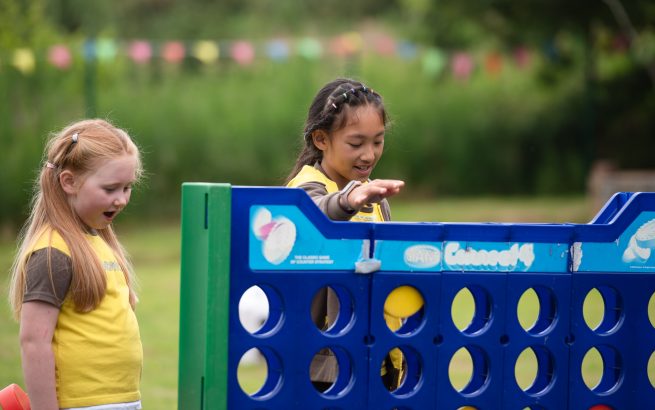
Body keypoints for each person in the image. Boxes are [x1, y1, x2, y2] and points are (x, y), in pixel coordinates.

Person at [8, 119, 144, 410]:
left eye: (127, 187)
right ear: (69, 182)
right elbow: (34, 342)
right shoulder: (52, 252)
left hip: (122, 400)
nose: (120, 200)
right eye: (110, 189)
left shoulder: (97, 240)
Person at [285, 78, 406, 392]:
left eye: (377, 141)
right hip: (326, 365)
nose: (369, 154)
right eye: (356, 143)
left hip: (378, 351)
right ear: (321, 139)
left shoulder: (374, 198)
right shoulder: (306, 187)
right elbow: (314, 213)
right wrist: (348, 200)